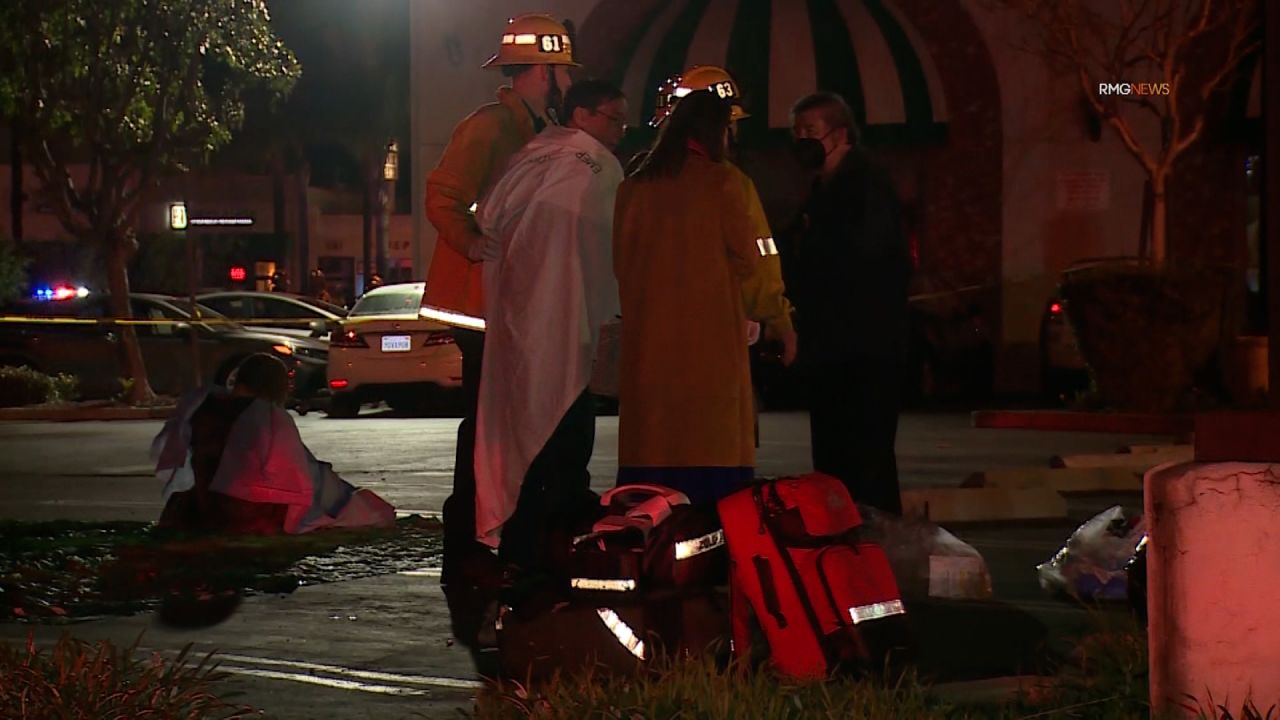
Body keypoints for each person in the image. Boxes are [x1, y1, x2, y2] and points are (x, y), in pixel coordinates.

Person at [423, 14, 579, 585]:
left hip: (506, 305)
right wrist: (471, 241)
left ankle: (497, 536)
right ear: (544, 71)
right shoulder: (492, 126)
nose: (567, 81)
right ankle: (470, 541)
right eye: (561, 71)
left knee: (504, 427)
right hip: (479, 306)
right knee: (487, 427)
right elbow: (442, 195)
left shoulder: (537, 128)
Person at [472, 79, 627, 567]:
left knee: (522, 427)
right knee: (563, 432)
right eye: (613, 119)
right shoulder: (597, 167)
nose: (619, 131)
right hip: (566, 321)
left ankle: (525, 538)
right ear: (581, 114)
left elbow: (491, 218)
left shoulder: (527, 157)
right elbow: (610, 243)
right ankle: (553, 544)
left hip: (518, 316)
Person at [613, 91, 780, 505]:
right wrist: (774, 314)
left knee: (651, 462)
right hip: (711, 352)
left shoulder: (633, 187)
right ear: (717, 131)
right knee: (713, 464)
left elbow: (620, 261)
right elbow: (754, 261)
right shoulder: (724, 182)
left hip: (648, 353)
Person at [788, 92, 911, 515]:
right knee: (833, 455)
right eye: (796, 131)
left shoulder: (864, 185)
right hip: (832, 345)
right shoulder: (824, 186)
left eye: (810, 131)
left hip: (863, 346)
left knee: (866, 454)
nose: (801, 140)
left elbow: (866, 255)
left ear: (839, 134)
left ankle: (873, 545)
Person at [151, 354, 395, 534]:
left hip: (202, 503)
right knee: (361, 507)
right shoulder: (268, 417)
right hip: (246, 513)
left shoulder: (200, 404)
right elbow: (299, 476)